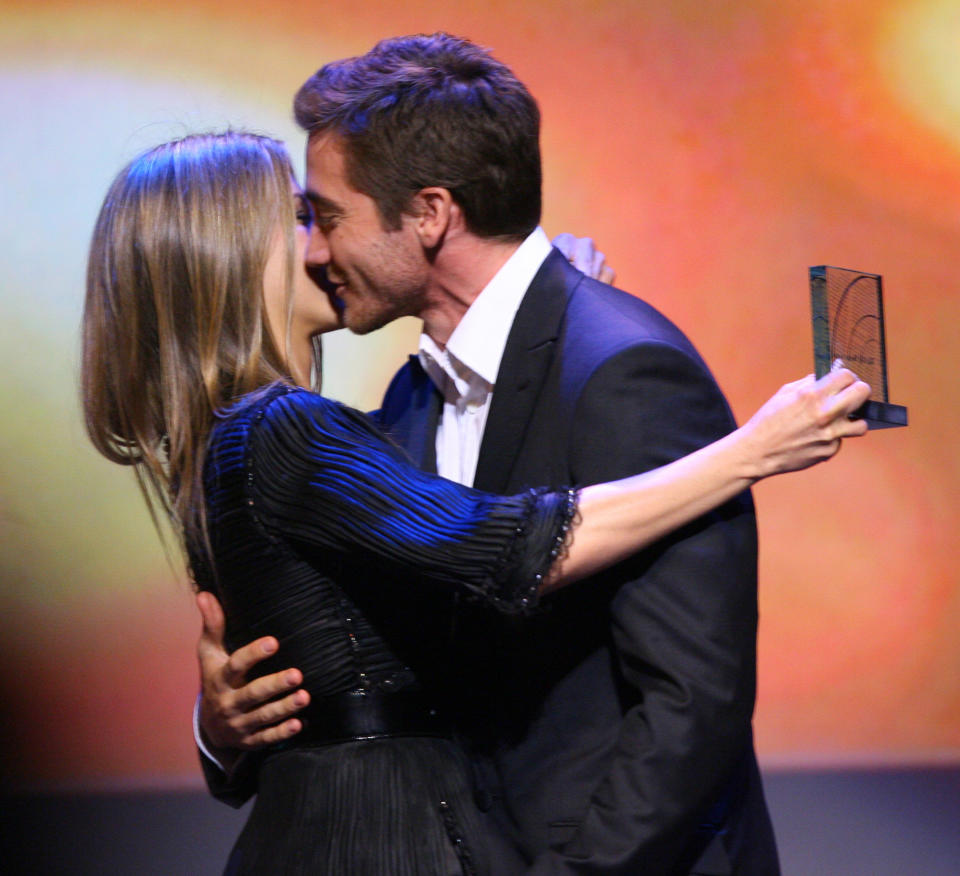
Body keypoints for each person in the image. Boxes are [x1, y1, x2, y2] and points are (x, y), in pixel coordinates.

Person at [190, 34, 872, 876]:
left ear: (432, 214)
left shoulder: (622, 369)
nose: (319, 251)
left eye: (329, 217)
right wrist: (221, 729)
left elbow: (692, 700)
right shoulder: (406, 399)